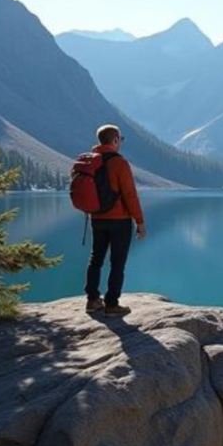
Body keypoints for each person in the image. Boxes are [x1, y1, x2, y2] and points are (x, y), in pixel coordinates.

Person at [84, 124, 146, 316]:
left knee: (96, 259)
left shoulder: (90, 161)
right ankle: (112, 304)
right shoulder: (119, 163)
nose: (121, 142)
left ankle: (92, 300)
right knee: (117, 262)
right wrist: (140, 221)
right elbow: (130, 194)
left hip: (97, 218)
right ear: (115, 140)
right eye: (120, 138)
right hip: (119, 220)